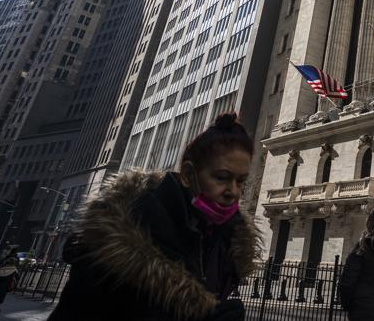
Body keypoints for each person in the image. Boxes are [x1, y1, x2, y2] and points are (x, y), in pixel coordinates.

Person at [49, 113, 260, 321]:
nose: (233, 191)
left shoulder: (228, 243)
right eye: (222, 178)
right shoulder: (118, 240)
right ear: (187, 174)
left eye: (241, 181)